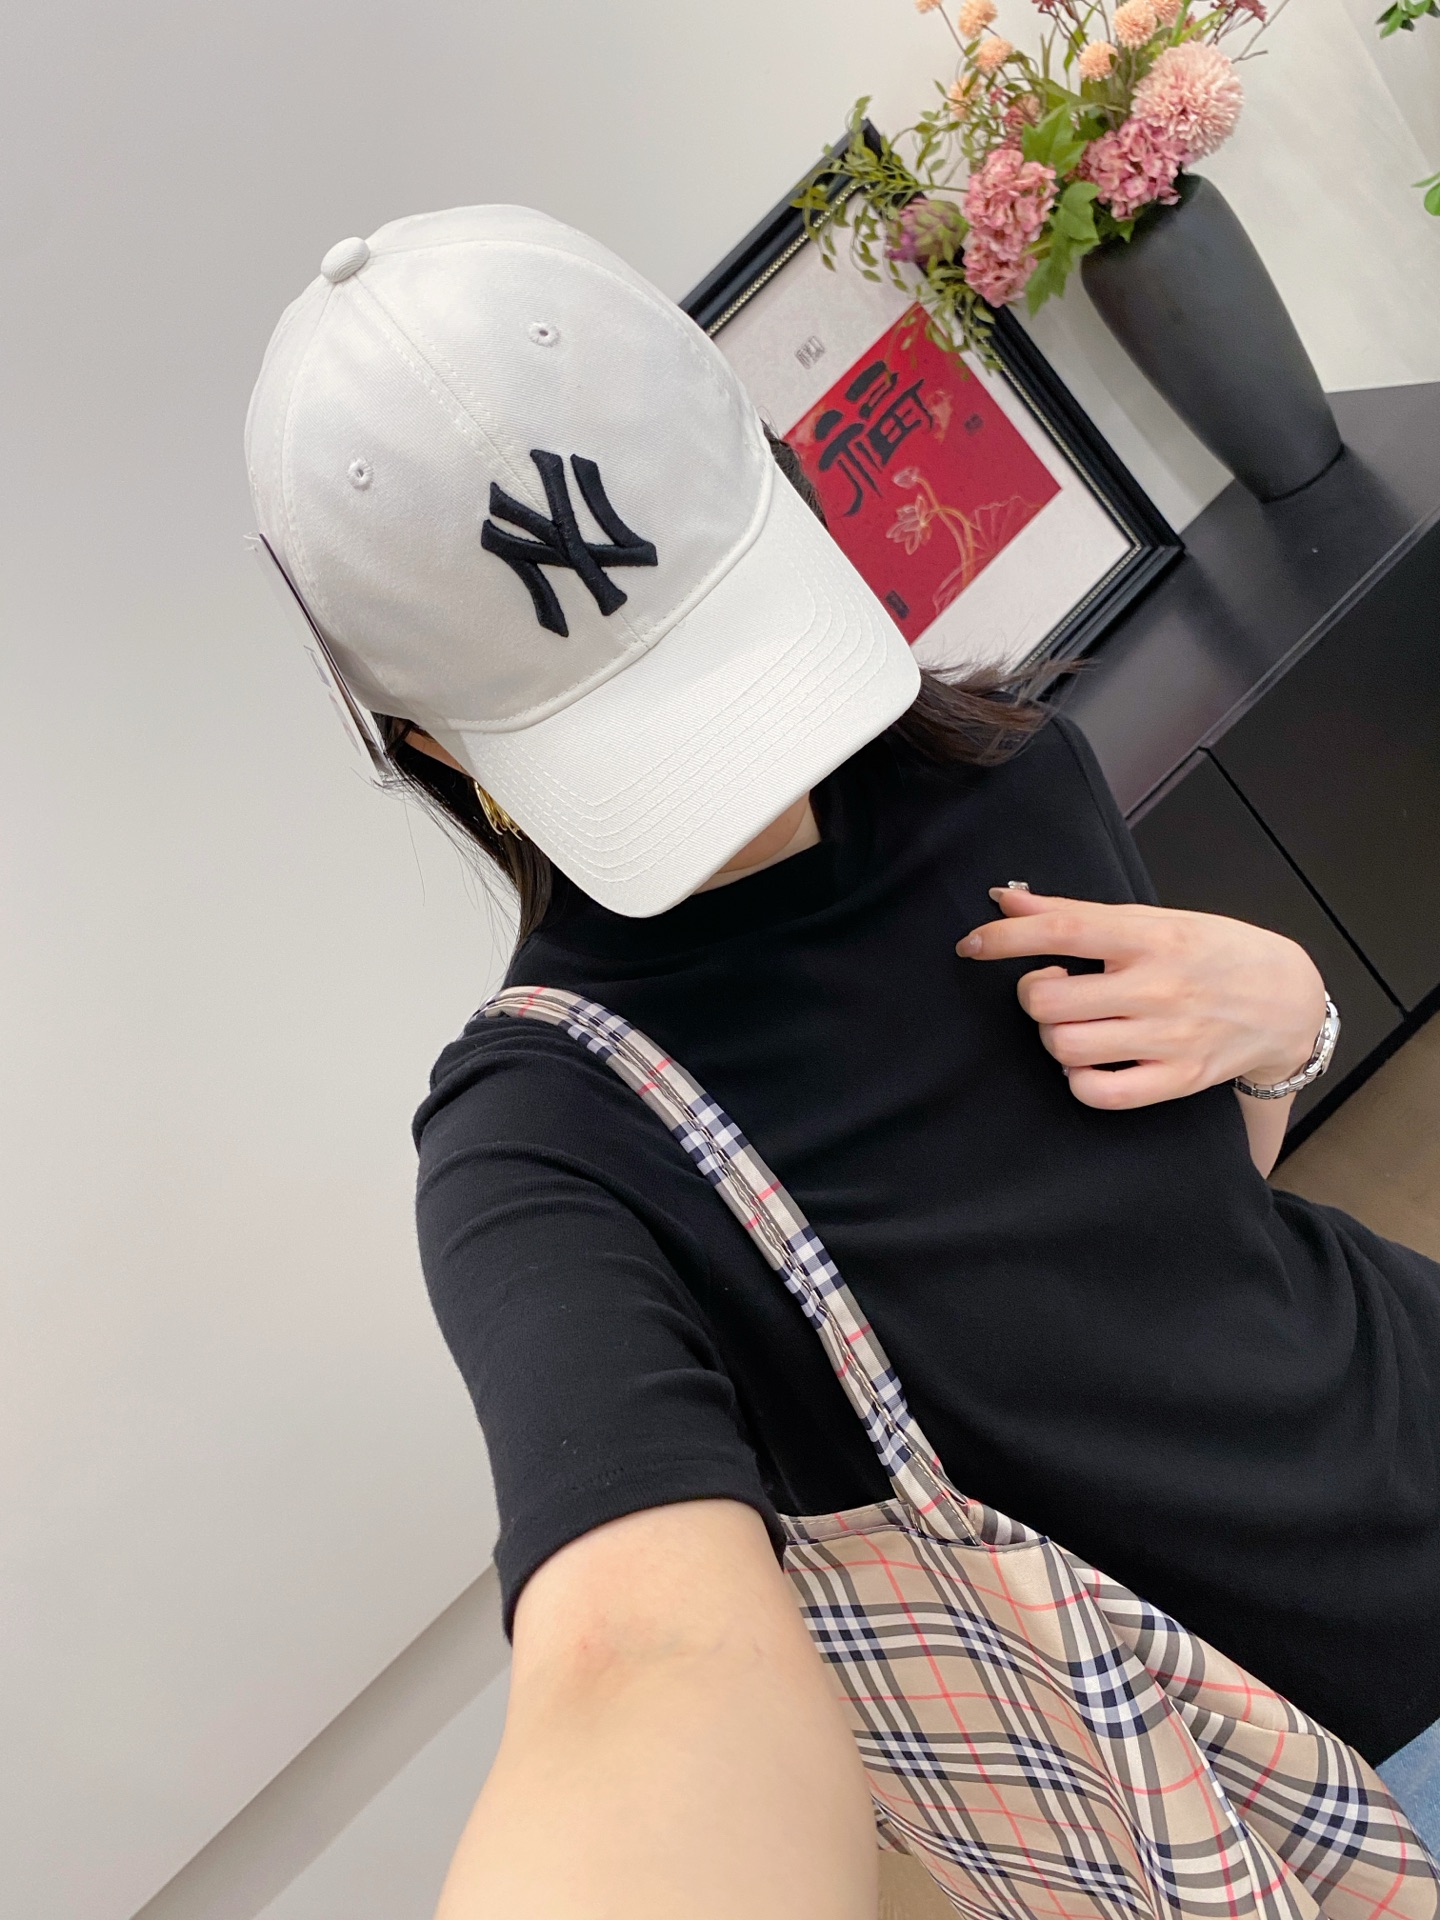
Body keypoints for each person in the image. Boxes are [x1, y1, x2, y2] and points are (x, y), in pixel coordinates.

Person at [247, 204, 1440, 1919]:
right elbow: (635, 1656)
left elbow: (1185, 1231)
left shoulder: (1002, 772)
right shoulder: (541, 1147)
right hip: (1309, 1786)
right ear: (426, 744)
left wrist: (1284, 1024)